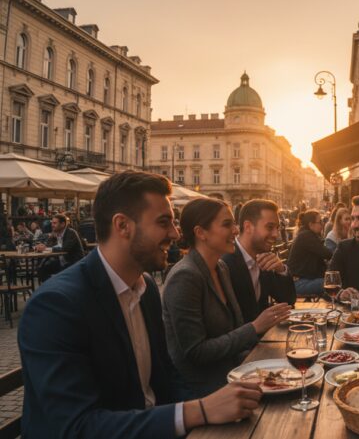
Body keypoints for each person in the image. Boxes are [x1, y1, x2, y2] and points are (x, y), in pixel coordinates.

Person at [18, 171, 264, 438]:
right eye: (164, 222)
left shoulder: (144, 288)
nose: (175, 232)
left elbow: (166, 377)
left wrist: (215, 408)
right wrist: (200, 410)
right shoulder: (56, 306)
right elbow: (77, 427)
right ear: (122, 226)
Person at [162, 198, 292, 396]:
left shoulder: (220, 267)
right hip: (202, 389)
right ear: (201, 233)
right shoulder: (185, 276)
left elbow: (234, 329)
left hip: (233, 371)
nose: (235, 230)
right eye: (226, 224)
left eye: (233, 223)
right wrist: (255, 327)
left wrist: (262, 363)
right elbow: (195, 352)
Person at [222, 199, 296, 324]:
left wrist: (281, 270)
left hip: (264, 339)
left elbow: (288, 300)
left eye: (277, 228)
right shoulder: (225, 262)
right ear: (248, 227)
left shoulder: (263, 257)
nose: (276, 234)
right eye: (270, 227)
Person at [287, 210, 332, 296]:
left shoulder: (307, 234)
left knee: (332, 279)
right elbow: (327, 253)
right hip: (299, 283)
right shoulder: (306, 236)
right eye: (320, 222)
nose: (322, 224)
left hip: (304, 280)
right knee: (333, 282)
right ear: (311, 224)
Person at [36, 213, 86, 282]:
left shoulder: (71, 233)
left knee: (49, 268)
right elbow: (49, 245)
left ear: (62, 224)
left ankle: (56, 287)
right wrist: (42, 246)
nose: (52, 225)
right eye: (52, 223)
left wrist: (46, 248)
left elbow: (64, 249)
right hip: (63, 262)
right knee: (42, 269)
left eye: (55, 223)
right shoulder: (56, 233)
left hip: (74, 264)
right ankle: (50, 288)